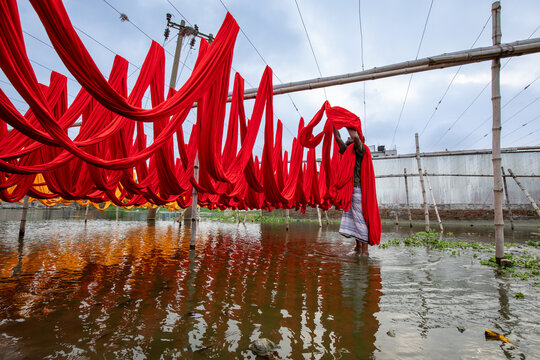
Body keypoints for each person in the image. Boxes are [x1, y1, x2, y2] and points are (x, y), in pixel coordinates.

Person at [333, 126, 369, 256]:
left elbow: (355, 138)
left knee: (360, 219)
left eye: (350, 137)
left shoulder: (360, 150)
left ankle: (365, 251)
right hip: (350, 190)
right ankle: (358, 246)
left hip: (357, 189)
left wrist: (349, 125)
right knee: (354, 219)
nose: (348, 138)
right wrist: (334, 121)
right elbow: (337, 137)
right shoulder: (348, 151)